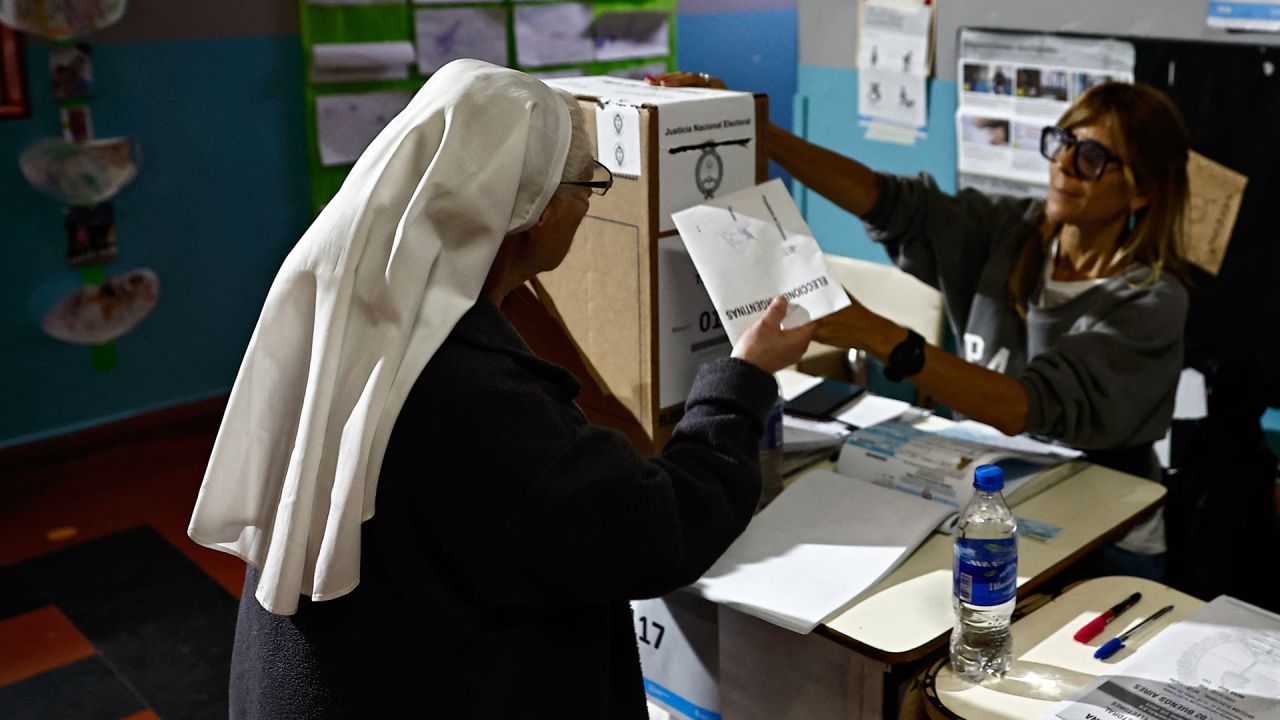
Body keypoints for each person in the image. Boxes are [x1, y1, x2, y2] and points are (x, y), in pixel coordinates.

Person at [189, 60, 814, 719]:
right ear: (535, 214)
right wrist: (742, 375)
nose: (587, 203)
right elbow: (661, 532)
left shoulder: (356, 309)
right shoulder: (473, 395)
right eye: (589, 185)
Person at [652, 73, 1190, 579]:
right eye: (1061, 142)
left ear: (1142, 191)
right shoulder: (1014, 230)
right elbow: (889, 201)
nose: (1064, 165)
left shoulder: (1151, 301)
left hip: (1105, 532)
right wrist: (758, 130)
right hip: (986, 497)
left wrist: (873, 332)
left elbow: (1021, 408)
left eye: (1093, 156)